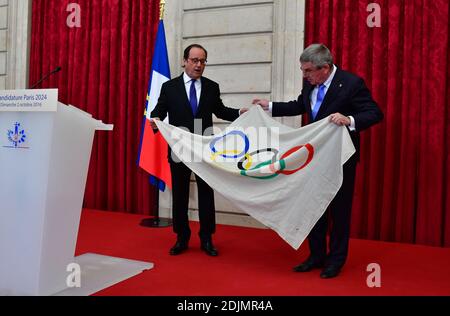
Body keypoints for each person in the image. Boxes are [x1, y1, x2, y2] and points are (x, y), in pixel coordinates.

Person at [253, 43, 383, 278]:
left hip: (340, 158)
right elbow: (299, 105)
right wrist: (269, 106)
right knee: (313, 207)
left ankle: (335, 260)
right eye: (303, 70)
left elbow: (374, 112)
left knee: (339, 211)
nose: (304, 75)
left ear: (325, 68)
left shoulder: (351, 83)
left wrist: (349, 119)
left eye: (308, 71)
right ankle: (316, 256)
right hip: (313, 157)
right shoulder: (310, 83)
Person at [151, 44, 247, 257]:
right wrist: (155, 119)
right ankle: (181, 238)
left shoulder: (212, 87)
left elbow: (221, 111)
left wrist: (241, 112)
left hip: (205, 150)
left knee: (206, 195)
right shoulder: (170, 87)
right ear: (184, 61)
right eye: (194, 60)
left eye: (203, 61)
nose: (199, 65)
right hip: (179, 148)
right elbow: (159, 110)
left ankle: (207, 238)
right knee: (180, 194)